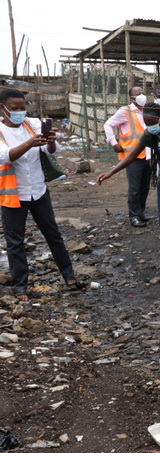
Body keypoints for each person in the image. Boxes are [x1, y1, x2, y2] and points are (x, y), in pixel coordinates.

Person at [0, 89, 82, 301]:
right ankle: (20, 287)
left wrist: (51, 141)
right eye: (14, 108)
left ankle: (68, 275)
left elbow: (52, 151)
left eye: (22, 107)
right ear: (3, 108)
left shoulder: (32, 124)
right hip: (13, 195)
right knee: (15, 241)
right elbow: (5, 156)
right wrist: (30, 143)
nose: (20, 112)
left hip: (38, 190)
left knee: (53, 234)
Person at [97, 104, 160, 275]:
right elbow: (132, 155)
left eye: (151, 122)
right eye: (146, 123)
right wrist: (110, 172)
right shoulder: (150, 134)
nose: (149, 126)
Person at [103, 86, 150, 227]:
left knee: (144, 187)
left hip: (148, 155)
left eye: (143, 93)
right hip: (132, 156)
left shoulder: (148, 110)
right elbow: (108, 124)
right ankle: (134, 216)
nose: (141, 95)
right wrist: (113, 142)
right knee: (134, 188)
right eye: (137, 94)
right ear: (131, 98)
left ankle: (140, 212)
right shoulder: (125, 111)